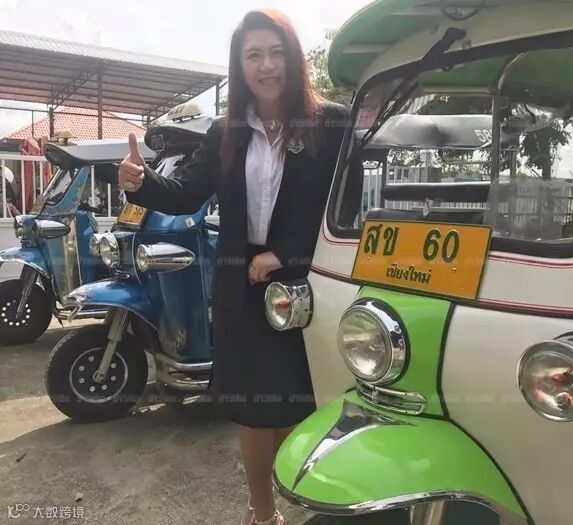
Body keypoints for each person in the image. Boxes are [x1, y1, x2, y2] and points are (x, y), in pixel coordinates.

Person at [118, 9, 350, 525]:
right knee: (251, 409)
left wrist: (286, 254)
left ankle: (296, 503)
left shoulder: (330, 123)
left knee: (296, 403)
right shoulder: (226, 131)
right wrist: (142, 182)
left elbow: (341, 206)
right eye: (254, 55)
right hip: (241, 287)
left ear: (293, 59)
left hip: (302, 287)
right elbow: (186, 193)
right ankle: (262, 513)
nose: (267, 65)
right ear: (240, 65)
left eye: (276, 53)